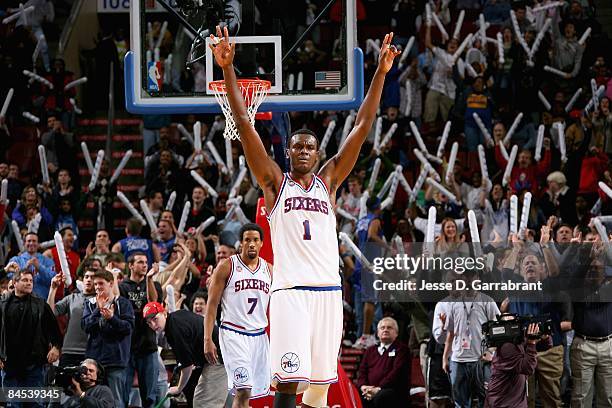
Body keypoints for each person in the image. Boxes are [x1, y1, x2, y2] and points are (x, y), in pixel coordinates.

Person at [210, 25, 400, 408]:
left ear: (317, 154)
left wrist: (380, 72)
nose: (301, 151)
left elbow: (362, 126)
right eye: (295, 146)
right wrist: (228, 71)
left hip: (328, 292)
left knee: (317, 388)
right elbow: (245, 125)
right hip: (291, 293)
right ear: (288, 153)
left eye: (309, 147)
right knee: (288, 382)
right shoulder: (274, 184)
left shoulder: (328, 181)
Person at [204, 223, 272, 406]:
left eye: (255, 240)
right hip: (233, 333)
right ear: (240, 244)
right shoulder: (227, 266)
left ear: (261, 244)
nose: (251, 244)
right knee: (243, 390)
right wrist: (207, 339)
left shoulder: (270, 270)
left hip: (258, 335)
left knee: (249, 394)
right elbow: (211, 306)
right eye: (247, 240)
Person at [144, 302, 227, 407]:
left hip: (219, 358)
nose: (153, 325)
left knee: (205, 404)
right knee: (200, 401)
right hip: (216, 357)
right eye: (149, 323)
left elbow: (187, 366)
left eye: (155, 319)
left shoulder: (175, 329)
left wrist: (179, 388)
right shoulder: (176, 317)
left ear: (164, 313)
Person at [0, 269, 61, 408]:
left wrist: (56, 347)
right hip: (10, 365)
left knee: (35, 404)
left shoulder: (40, 304)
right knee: (13, 405)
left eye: (31, 281)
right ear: (15, 283)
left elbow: (54, 330)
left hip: (34, 365)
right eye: (25, 280)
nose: (29, 283)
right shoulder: (3, 304)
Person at [82, 269, 135, 407]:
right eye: (95, 284)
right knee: (93, 401)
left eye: (101, 283)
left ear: (111, 283)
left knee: (117, 402)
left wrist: (111, 318)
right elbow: (85, 327)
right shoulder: (90, 304)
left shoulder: (123, 304)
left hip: (115, 362)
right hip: (94, 363)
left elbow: (128, 328)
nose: (97, 287)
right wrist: (97, 311)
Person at [119, 254, 163, 408]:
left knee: (149, 396)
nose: (145, 265)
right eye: (140, 262)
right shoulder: (122, 286)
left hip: (148, 346)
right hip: (126, 348)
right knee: (122, 395)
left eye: (146, 262)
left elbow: (153, 305)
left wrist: (149, 279)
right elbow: (122, 309)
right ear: (130, 265)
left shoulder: (154, 285)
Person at [356, 317, 411, 407]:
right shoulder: (370, 350)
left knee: (382, 397)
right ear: (378, 333)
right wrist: (363, 387)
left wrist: (379, 388)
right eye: (382, 328)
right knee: (356, 394)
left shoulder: (402, 349)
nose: (385, 330)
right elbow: (362, 372)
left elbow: (396, 373)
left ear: (396, 333)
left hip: (393, 390)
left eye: (389, 328)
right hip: (370, 390)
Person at [47, 268, 97, 368]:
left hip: (91, 352)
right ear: (82, 280)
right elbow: (50, 313)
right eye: (86, 277)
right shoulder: (72, 297)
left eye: (93, 277)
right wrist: (53, 289)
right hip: (69, 350)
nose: (89, 279)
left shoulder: (101, 299)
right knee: (64, 383)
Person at [485, 320, 540, 408]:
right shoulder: (507, 347)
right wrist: (532, 342)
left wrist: (543, 337)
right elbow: (528, 368)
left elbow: (546, 346)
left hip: (513, 400)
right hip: (504, 403)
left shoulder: (516, 342)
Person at [6, 232, 56, 299]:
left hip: (41, 301)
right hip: (20, 302)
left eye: (34, 241)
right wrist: (24, 270)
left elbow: (53, 279)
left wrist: (39, 267)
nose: (31, 243)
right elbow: (10, 280)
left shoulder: (47, 261)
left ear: (38, 244)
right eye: (29, 241)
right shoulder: (15, 260)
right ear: (24, 244)